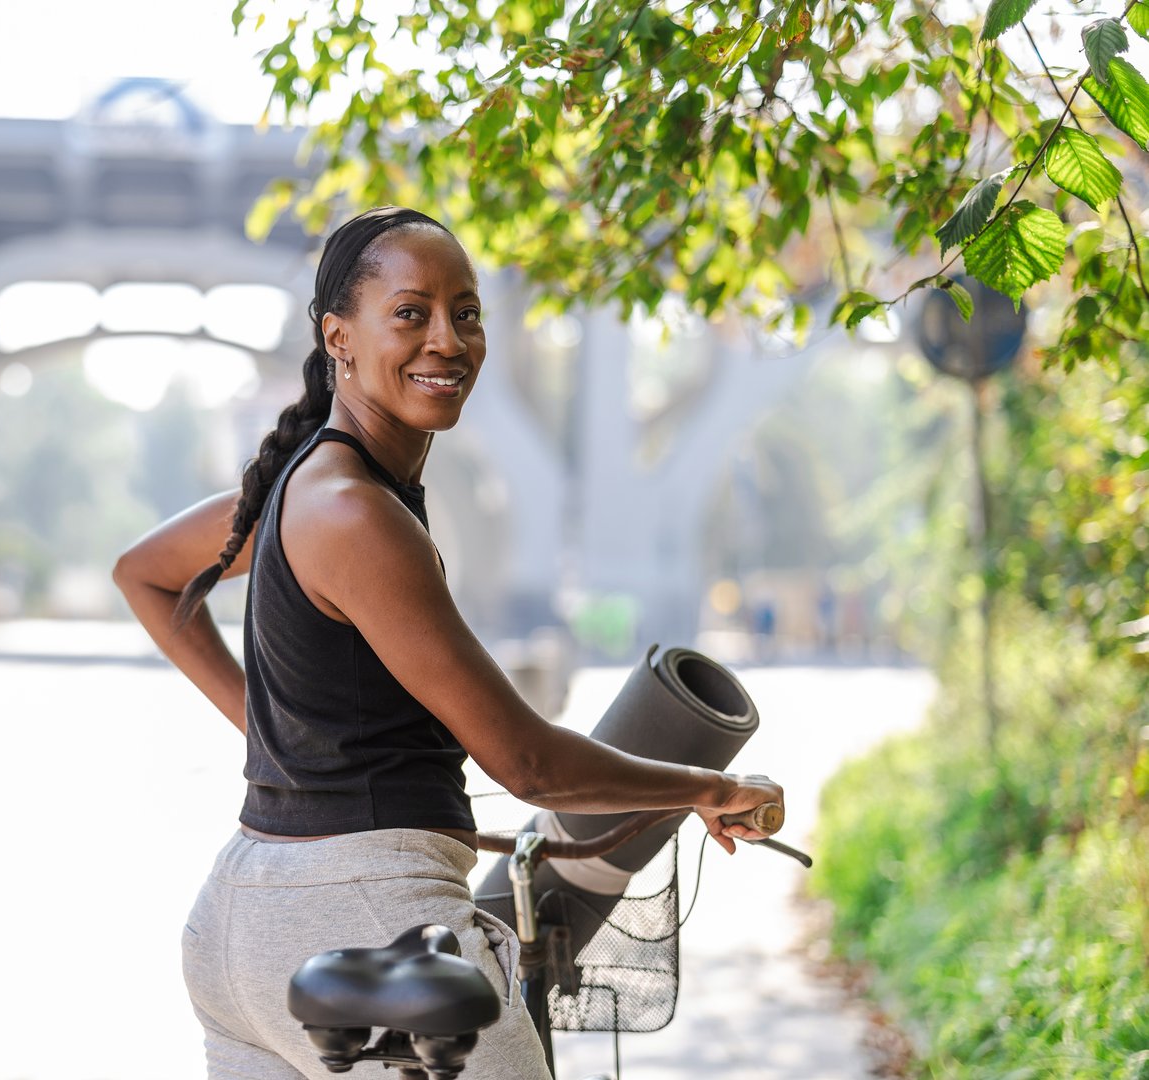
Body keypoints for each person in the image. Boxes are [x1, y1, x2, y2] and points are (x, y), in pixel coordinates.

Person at [112, 206, 786, 1079]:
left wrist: (283, 737)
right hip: (366, 927)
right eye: (410, 313)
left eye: (466, 314)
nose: (447, 339)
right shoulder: (357, 514)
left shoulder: (303, 487)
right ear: (338, 338)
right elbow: (529, 764)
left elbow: (143, 573)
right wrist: (710, 787)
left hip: (242, 923)